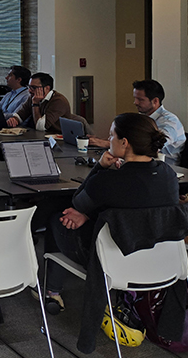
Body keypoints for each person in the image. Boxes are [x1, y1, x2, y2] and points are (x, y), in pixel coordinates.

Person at [43, 113, 188, 353]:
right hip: (160, 261)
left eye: (112, 135)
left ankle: (53, 291)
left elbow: (78, 201)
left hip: (114, 260)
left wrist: (99, 168)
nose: (109, 139)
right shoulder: (169, 175)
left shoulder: (109, 181)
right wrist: (94, 213)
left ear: (125, 143)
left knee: (57, 218)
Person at [88, 80, 185, 165]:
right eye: (135, 98)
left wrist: (105, 143)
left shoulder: (169, 121)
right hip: (142, 165)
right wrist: (100, 140)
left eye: (140, 99)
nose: (135, 103)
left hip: (167, 169)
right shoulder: (143, 118)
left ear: (155, 101)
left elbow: (148, 145)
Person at [6, 72, 79, 133]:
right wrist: (14, 119)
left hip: (57, 139)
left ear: (47, 88)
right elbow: (21, 114)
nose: (29, 91)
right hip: (40, 136)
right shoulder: (32, 97)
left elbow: (40, 127)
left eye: (34, 87)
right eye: (29, 87)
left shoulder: (58, 101)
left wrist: (35, 104)